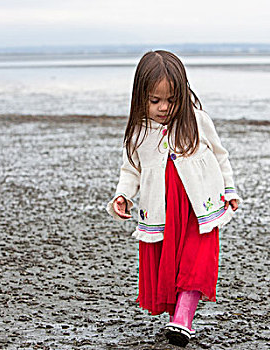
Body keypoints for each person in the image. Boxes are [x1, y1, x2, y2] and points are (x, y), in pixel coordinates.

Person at [106, 50, 240, 347]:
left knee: (196, 260)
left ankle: (182, 320)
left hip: (198, 208)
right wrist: (122, 196)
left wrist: (230, 190)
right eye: (155, 101)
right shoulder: (138, 132)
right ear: (141, 96)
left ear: (183, 92)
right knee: (171, 263)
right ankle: (177, 313)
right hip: (162, 211)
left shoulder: (197, 120)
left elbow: (221, 156)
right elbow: (131, 169)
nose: (164, 108)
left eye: (171, 100)